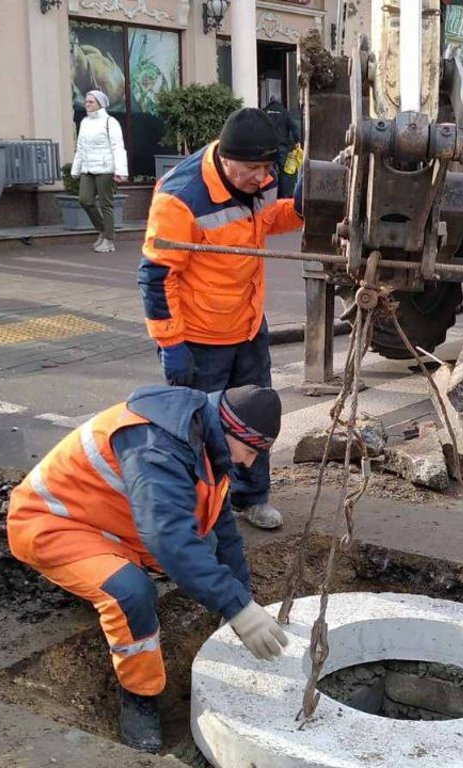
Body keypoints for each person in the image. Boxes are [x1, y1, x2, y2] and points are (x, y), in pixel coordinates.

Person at [6, 384, 290, 753]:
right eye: (250, 451)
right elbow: (168, 537)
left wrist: (241, 600)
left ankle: (109, 579)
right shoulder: (156, 445)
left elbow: (224, 532)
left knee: (202, 546)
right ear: (230, 429)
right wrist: (236, 608)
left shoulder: (207, 435)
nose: (249, 463)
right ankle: (139, 697)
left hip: (112, 524)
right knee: (131, 593)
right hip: (53, 524)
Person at [138, 107, 302, 531]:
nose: (262, 177)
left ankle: (252, 496)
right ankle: (199, 510)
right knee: (201, 429)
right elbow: (156, 278)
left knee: (254, 416)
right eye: (252, 168)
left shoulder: (259, 179)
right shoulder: (181, 196)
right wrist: (171, 344)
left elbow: (266, 221)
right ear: (226, 159)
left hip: (247, 325)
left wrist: (300, 209)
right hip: (199, 337)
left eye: (267, 167)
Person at [71, 89, 127, 253]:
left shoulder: (111, 122)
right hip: (88, 168)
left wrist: (120, 171)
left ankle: (108, 240)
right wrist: (76, 168)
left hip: (105, 168)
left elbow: (118, 147)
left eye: (91, 102)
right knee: (84, 200)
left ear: (100, 104)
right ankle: (104, 230)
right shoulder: (85, 122)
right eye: (86, 101)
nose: (87, 104)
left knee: (106, 204)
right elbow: (80, 147)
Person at [262, 95, 300, 198]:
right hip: (282, 146)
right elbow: (293, 126)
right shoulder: (284, 111)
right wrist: (297, 140)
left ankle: (270, 196)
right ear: (279, 102)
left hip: (269, 148)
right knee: (285, 173)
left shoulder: (264, 112)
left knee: (269, 172)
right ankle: (285, 196)